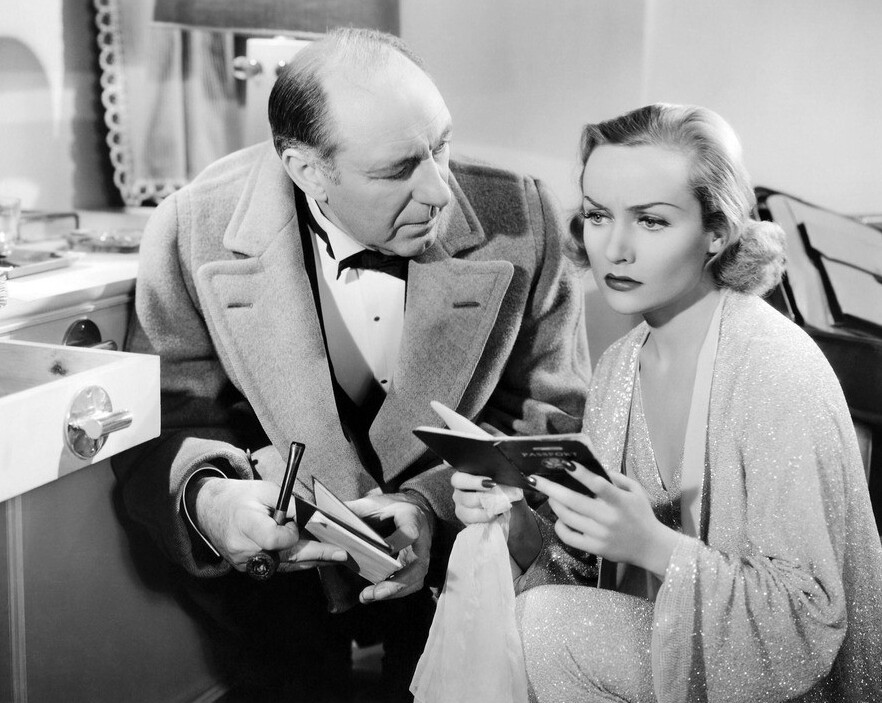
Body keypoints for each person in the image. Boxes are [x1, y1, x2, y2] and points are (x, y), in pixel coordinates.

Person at [112, 27, 589, 702]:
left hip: (460, 575)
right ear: (307, 169)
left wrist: (430, 507)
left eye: (441, 145)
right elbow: (164, 423)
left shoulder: (525, 216)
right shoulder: (191, 229)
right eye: (397, 170)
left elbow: (551, 425)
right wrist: (214, 500)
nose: (441, 191)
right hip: (281, 590)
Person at [452, 103, 882, 702]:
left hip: (783, 682)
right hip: (670, 656)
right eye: (598, 215)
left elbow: (805, 619)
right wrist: (520, 528)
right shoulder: (618, 366)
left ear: (717, 231)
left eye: (652, 221)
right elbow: (589, 578)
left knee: (543, 626)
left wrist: (654, 546)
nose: (615, 248)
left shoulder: (777, 368)